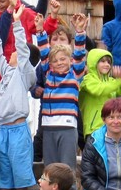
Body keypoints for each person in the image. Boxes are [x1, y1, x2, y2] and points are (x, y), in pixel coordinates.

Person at [0, 6, 38, 190]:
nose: (12, 54)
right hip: (3, 130)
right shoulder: (6, 73)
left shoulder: (25, 74)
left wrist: (17, 24)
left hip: (19, 130)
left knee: (20, 172)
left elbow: (23, 50)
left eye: (16, 53)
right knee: (4, 171)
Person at [37, 12, 88, 168]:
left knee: (67, 169)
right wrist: (40, 31)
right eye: (55, 60)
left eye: (63, 59)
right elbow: (44, 51)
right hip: (48, 127)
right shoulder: (48, 73)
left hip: (67, 127)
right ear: (50, 63)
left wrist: (80, 32)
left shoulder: (75, 74)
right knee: (50, 169)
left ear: (70, 60)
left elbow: (79, 54)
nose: (59, 63)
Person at [79, 48, 121, 138]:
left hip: (111, 127)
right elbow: (99, 90)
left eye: (109, 62)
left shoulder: (111, 81)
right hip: (94, 128)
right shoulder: (87, 79)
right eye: (102, 61)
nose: (106, 65)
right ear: (94, 63)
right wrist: (119, 82)